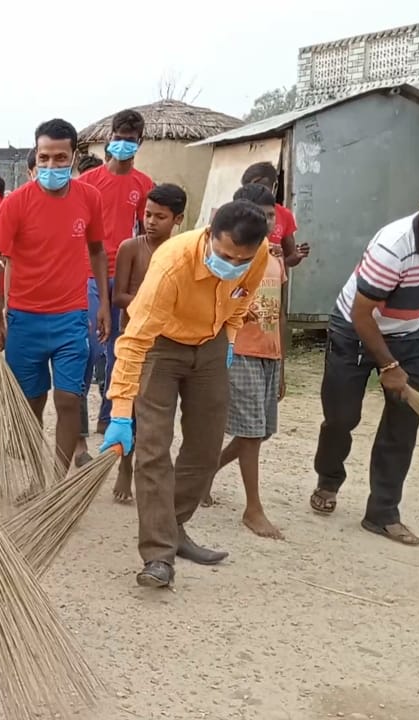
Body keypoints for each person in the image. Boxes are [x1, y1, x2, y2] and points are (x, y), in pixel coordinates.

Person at [103, 200, 269, 588]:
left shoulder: (256, 254)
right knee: (153, 447)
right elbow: (133, 340)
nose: (233, 263)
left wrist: (228, 338)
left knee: (206, 445)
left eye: (241, 259)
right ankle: (158, 555)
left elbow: (243, 295)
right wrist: (121, 410)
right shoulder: (171, 265)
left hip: (211, 345)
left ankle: (175, 526)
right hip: (160, 347)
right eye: (225, 254)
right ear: (209, 234)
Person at [309, 172, 419, 546]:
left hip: (410, 334)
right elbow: (361, 314)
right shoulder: (393, 245)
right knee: (341, 417)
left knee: (404, 423)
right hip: (354, 329)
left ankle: (382, 512)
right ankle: (328, 478)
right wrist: (388, 366)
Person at [0, 118, 109, 472]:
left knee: (69, 398)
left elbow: (97, 250)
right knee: (31, 402)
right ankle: (37, 477)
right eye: (45, 157)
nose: (52, 165)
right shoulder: (17, 203)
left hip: (71, 317)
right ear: (36, 156)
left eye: (60, 158)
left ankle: (58, 480)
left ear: (73, 158)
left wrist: (104, 306)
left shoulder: (89, 198)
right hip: (25, 320)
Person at [209, 183, 287, 539]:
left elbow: (280, 311)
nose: (270, 222)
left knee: (258, 431)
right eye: (264, 216)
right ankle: (252, 508)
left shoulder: (273, 258)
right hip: (240, 350)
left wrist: (282, 359)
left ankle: (204, 471)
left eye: (272, 216)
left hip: (269, 353)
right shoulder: (234, 259)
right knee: (251, 433)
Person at [77, 109, 155, 446]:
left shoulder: (144, 184)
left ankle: (109, 415)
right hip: (89, 274)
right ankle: (76, 418)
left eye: (130, 140)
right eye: (118, 138)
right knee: (90, 347)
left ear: (139, 142)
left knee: (119, 350)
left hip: (124, 277)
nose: (123, 144)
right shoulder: (88, 182)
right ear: (110, 138)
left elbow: (147, 233)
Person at [109, 182, 186, 503]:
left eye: (160, 217)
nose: (151, 222)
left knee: (157, 417)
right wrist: (152, 302)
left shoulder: (183, 250)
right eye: (147, 214)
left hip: (167, 343)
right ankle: (125, 468)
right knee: (128, 410)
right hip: (135, 339)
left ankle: (151, 472)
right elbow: (119, 296)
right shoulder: (131, 247)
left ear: (178, 219)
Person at [241, 161, 310, 267]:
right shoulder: (237, 213)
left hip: (272, 282)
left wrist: (296, 255)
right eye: (251, 188)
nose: (257, 191)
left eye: (262, 186)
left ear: (275, 186)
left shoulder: (284, 215)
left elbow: (287, 260)